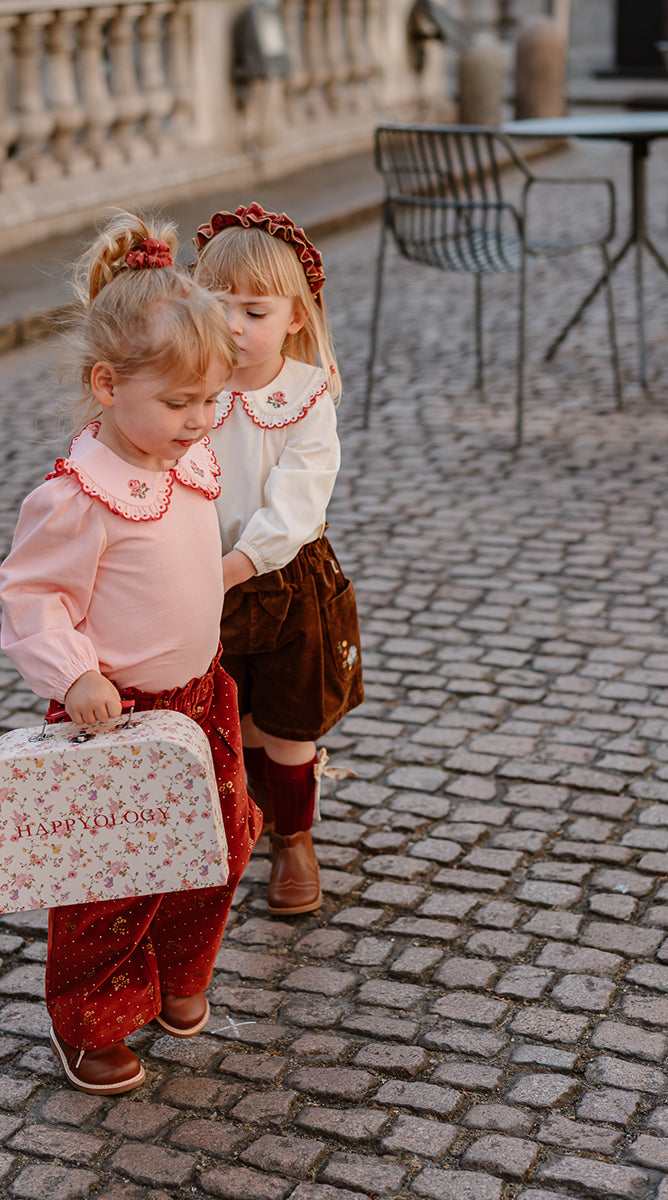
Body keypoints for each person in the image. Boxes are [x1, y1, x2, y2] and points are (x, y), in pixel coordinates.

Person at [0, 212, 261, 1097]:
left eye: (210, 401)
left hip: (203, 696)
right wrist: (74, 673)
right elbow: (34, 594)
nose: (199, 422)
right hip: (120, 716)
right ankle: (91, 1018)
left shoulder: (184, 459)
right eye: (180, 403)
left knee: (217, 847)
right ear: (106, 386)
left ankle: (180, 971)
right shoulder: (81, 496)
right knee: (112, 878)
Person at [193, 202, 363, 918]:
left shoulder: (306, 398)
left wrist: (234, 567)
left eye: (254, 311)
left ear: (296, 316)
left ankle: (294, 838)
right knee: (233, 714)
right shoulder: (191, 385)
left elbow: (296, 502)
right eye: (218, 306)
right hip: (200, 575)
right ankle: (248, 815)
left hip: (285, 580)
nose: (234, 325)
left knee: (289, 722)